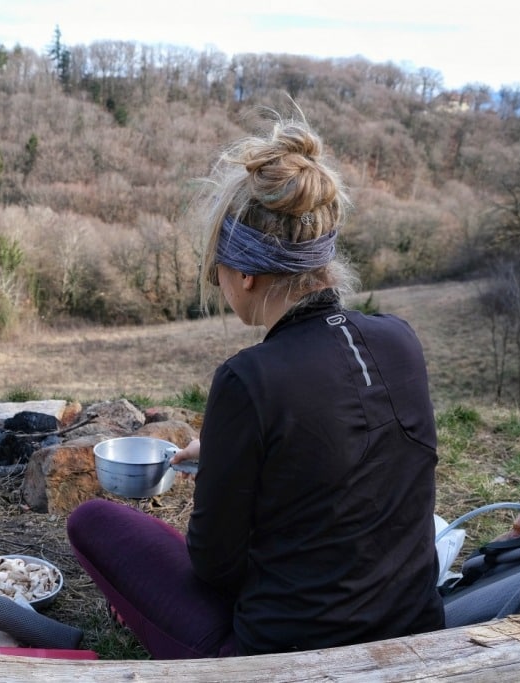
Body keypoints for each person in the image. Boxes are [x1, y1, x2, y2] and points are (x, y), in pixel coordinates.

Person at [66, 111, 445, 659]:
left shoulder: (249, 379)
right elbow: (339, 457)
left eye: (217, 265)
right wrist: (228, 455)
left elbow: (215, 565)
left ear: (244, 273)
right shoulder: (398, 341)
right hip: (410, 629)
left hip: (280, 656)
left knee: (94, 521)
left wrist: (224, 474)